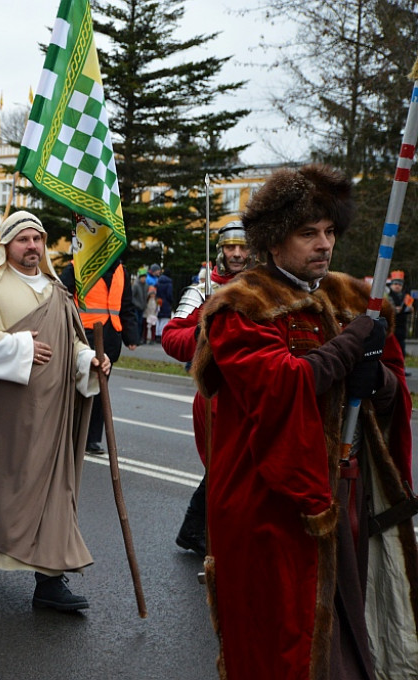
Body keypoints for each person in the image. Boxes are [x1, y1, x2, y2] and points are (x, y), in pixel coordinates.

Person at [192, 164, 416, 678]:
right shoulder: (239, 307)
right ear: (274, 240)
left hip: (346, 493)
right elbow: (279, 386)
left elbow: (394, 387)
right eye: (307, 232)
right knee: (281, 638)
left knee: (348, 628)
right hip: (269, 504)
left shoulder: (354, 297)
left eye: (330, 231)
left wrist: (376, 382)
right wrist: (347, 348)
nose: (324, 244)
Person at [0, 210, 109, 610]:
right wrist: (19, 346)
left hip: (54, 415)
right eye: (23, 239)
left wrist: (89, 361)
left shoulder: (57, 290)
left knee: (55, 493)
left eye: (37, 240)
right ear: (6, 245)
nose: (32, 247)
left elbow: (73, 343)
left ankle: (50, 582)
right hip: (3, 415)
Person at [161, 222, 252, 557]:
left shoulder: (265, 288)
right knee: (223, 466)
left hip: (254, 393)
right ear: (220, 250)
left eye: (243, 247)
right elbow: (170, 338)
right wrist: (205, 334)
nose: (238, 254)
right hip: (216, 395)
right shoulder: (202, 290)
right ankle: (210, 534)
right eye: (231, 247)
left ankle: (199, 530)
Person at [76, 259, 139, 455]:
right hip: (83, 337)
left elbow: (125, 306)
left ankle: (92, 438)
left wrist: (131, 336)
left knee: (100, 389)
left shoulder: (121, 270)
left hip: (109, 339)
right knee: (78, 390)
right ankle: (73, 435)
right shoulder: (79, 263)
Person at [387, 270, 412, 354]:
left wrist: (410, 309)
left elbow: (409, 308)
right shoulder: (386, 295)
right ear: (391, 284)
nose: (397, 286)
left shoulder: (406, 296)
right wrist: (393, 310)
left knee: (401, 352)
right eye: (395, 284)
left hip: (401, 330)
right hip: (389, 330)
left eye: (400, 284)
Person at [150, 263, 173, 339]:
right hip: (166, 303)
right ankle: (161, 335)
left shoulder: (158, 282)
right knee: (164, 319)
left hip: (158, 301)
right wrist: (171, 301)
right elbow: (169, 294)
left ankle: (156, 334)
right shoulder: (169, 283)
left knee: (158, 318)